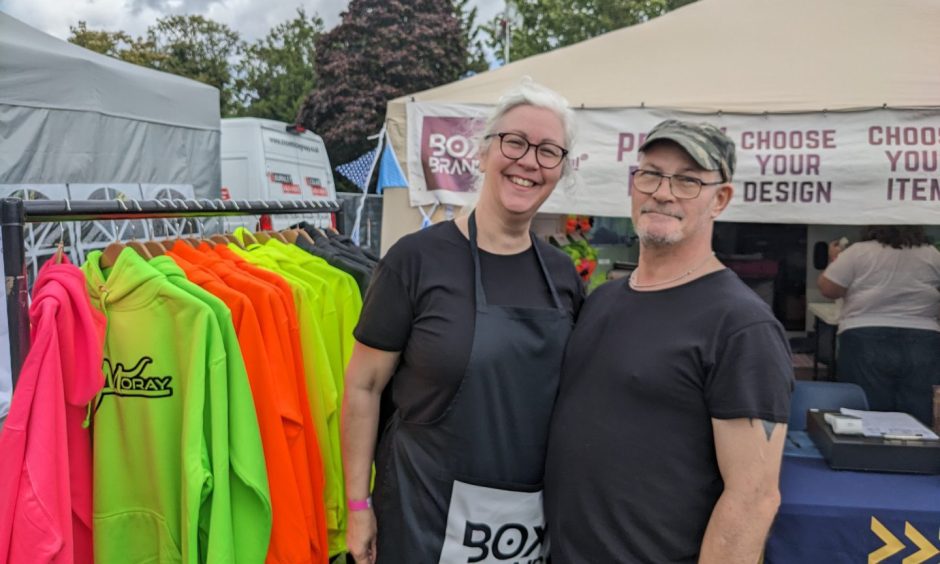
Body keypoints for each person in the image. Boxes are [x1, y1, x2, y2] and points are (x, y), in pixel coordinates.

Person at [342, 79, 584, 563]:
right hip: (422, 509)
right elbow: (362, 387)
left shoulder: (563, 276)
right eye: (514, 142)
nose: (529, 161)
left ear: (560, 170)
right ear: (482, 153)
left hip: (524, 522)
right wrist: (357, 505)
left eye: (549, 151)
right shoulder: (415, 260)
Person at [544, 120, 794, 563]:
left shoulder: (741, 326)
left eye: (688, 181)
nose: (663, 192)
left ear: (721, 199)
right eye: (651, 174)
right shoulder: (602, 300)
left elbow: (753, 499)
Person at [818, 226, 940, 425]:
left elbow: (829, 289)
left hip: (864, 334)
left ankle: (872, 454)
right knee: (919, 414)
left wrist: (835, 260)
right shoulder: (932, 254)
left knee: (866, 412)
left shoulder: (858, 252)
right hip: (924, 337)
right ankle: (914, 453)